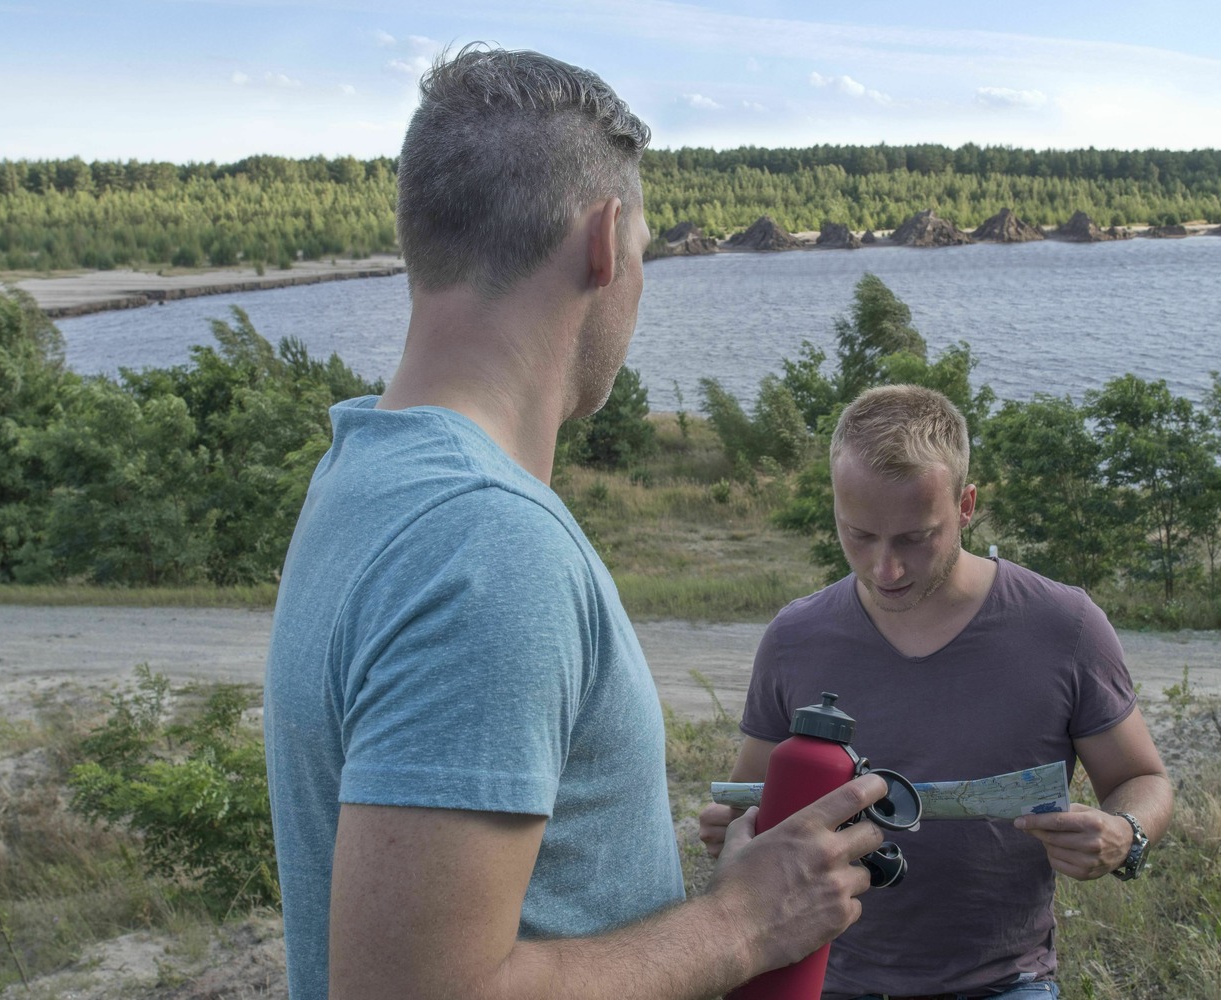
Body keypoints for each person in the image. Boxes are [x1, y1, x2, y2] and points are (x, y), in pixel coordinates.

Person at [263, 46, 889, 1000]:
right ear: (604, 240)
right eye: (644, 254)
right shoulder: (487, 544)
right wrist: (741, 924)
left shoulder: (362, 469)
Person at [699, 384, 1174, 1000]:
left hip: (1003, 982)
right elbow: (756, 804)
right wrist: (732, 834)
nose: (885, 569)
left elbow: (1142, 778)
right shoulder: (795, 637)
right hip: (820, 976)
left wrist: (1125, 834)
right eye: (859, 534)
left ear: (966, 505)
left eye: (914, 537)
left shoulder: (1065, 627)